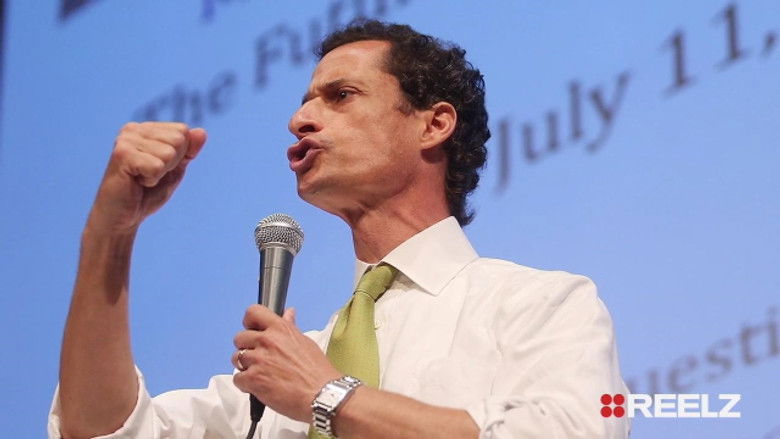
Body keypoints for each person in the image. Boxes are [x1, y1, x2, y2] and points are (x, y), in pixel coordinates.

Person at [49, 20, 630, 439]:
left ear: (434, 124)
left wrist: (328, 397)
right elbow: (103, 430)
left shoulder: (541, 305)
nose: (300, 119)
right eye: (306, 102)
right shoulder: (284, 373)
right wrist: (110, 234)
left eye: (341, 96)